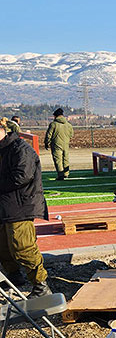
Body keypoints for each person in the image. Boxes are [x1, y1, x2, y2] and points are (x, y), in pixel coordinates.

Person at [0, 118, 51, 298]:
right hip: (5, 207)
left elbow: (22, 176)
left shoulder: (20, 149)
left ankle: (40, 286)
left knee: (23, 247)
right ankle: (14, 276)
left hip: (20, 206)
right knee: (3, 246)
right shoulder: (4, 150)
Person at [44, 107, 74, 180]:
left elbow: (49, 135)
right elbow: (71, 135)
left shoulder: (53, 124)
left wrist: (46, 143)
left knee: (58, 160)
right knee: (65, 159)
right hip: (66, 144)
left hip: (56, 144)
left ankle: (60, 175)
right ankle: (66, 173)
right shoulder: (69, 125)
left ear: (55, 116)